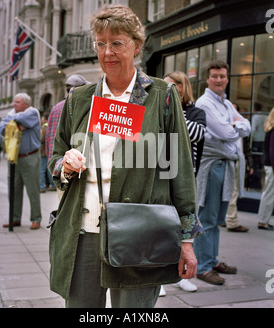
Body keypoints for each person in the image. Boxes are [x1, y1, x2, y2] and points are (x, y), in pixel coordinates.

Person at [48, 4, 204, 308]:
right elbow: (54, 161)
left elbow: (180, 172)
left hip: (139, 234)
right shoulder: (79, 101)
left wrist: (186, 240)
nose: (108, 52)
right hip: (83, 236)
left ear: (137, 46)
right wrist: (64, 166)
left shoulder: (161, 96)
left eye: (117, 43)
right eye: (101, 44)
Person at [194, 60, 251, 285]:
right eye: (215, 76)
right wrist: (234, 125)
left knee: (217, 218)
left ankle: (212, 259)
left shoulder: (226, 103)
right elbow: (227, 132)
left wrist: (234, 126)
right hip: (212, 167)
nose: (219, 80)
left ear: (228, 79)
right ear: (207, 79)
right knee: (207, 217)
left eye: (222, 76)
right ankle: (202, 267)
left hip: (225, 165)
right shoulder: (205, 103)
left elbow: (244, 126)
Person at [160, 71, 206, 294]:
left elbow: (196, 133)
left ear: (182, 88)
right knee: (159, 224)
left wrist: (174, 112)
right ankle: (158, 277)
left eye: (173, 86)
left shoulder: (196, 112)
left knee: (185, 224)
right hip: (160, 173)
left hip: (186, 176)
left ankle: (181, 274)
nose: (167, 89)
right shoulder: (158, 110)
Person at [0, 93, 42, 230]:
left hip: (30, 157)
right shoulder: (13, 113)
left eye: (18, 102)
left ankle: (36, 219)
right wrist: (17, 123)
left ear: (26, 104)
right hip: (14, 158)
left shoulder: (33, 113)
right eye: (14, 102)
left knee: (32, 190)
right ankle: (15, 218)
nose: (14, 104)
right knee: (14, 189)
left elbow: (23, 120)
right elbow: (1, 128)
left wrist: (11, 122)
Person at [46, 74, 90, 199]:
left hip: (60, 168)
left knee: (62, 205)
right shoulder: (79, 107)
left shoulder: (55, 108)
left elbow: (49, 142)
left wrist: (54, 168)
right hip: (76, 168)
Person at [223, 103, 251, 232]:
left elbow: (246, 144)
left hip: (237, 159)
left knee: (232, 190)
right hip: (226, 159)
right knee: (230, 190)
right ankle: (231, 221)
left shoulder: (240, 124)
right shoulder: (223, 123)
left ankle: (226, 218)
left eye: (235, 109)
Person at [256, 107, 274, 230]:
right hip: (272, 166)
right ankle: (262, 221)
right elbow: (272, 152)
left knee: (268, 193)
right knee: (269, 193)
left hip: (270, 165)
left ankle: (263, 220)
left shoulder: (270, 129)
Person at [40, 112, 56, 193]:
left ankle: (42, 186)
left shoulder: (44, 127)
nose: (41, 120)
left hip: (43, 151)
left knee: (42, 169)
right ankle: (53, 185)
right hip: (49, 150)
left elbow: (42, 139)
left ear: (45, 119)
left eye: (42, 118)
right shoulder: (50, 125)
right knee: (49, 169)